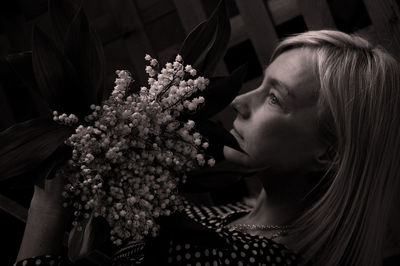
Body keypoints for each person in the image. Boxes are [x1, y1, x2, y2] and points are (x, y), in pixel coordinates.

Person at [15, 30, 400, 266]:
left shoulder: (234, 258)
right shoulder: (246, 217)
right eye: (260, 84)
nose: (240, 100)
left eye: (275, 99)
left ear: (329, 153)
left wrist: (46, 211)